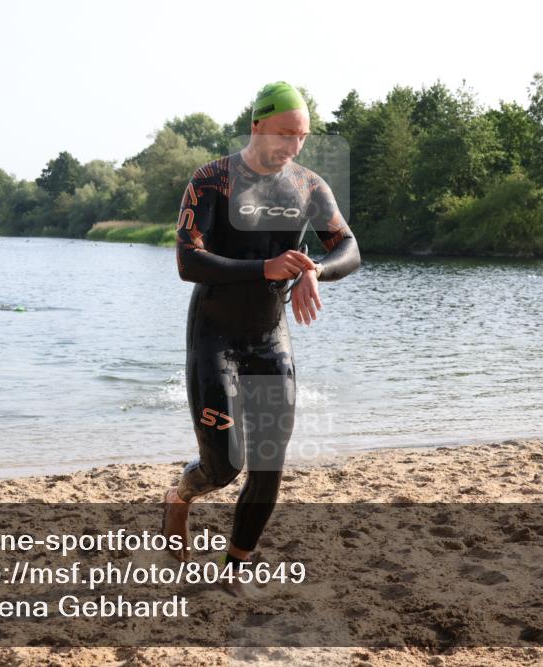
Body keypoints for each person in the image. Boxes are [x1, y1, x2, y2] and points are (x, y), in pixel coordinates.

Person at [162, 82, 360, 596]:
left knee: (269, 463)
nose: (294, 147)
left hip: (270, 337)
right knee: (224, 466)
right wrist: (266, 267)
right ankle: (180, 495)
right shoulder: (212, 181)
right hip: (215, 336)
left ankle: (234, 568)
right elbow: (189, 260)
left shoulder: (308, 186)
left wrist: (315, 267)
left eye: (303, 137)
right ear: (257, 126)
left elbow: (350, 247)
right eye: (285, 134)